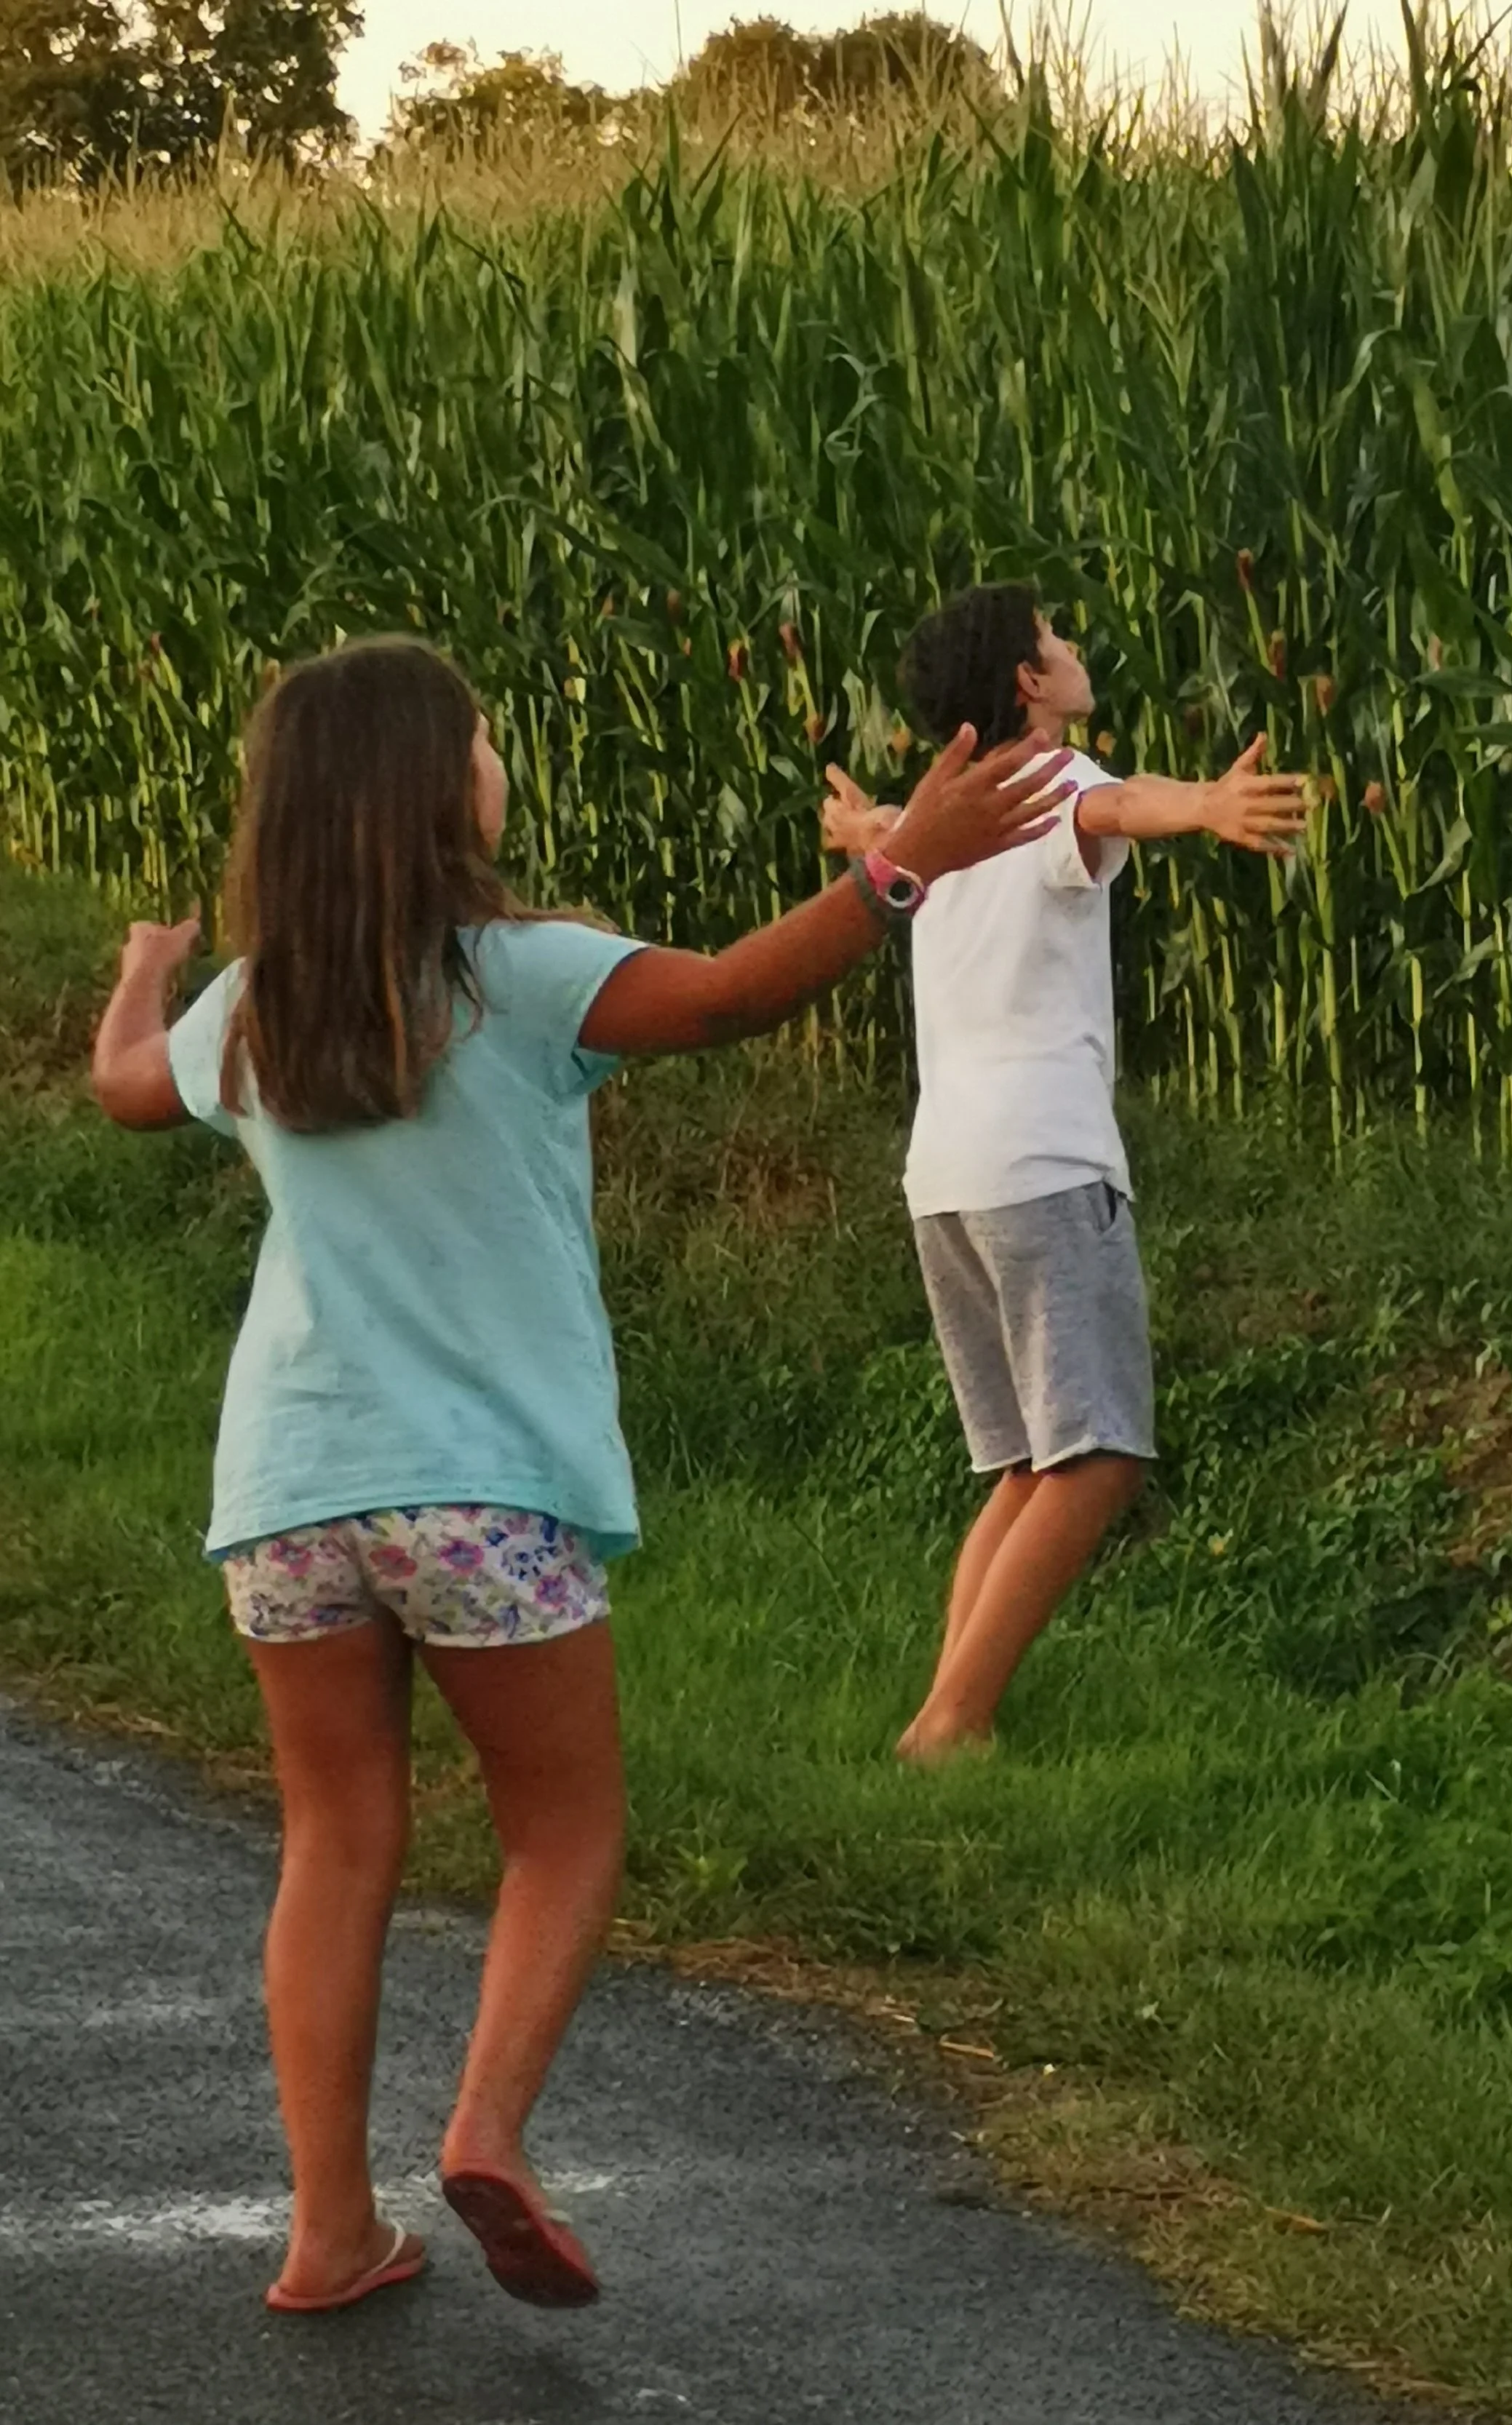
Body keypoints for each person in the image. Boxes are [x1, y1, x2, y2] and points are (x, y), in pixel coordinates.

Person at [89, 635, 1070, 2317]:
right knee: (561, 1829)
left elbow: (123, 1086)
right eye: (478, 737)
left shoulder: (254, 1006)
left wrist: (142, 968)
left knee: (334, 1841)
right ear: (433, 789)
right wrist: (898, 868)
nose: (496, 757)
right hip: (482, 1496)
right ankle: (485, 2127)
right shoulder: (518, 976)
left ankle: (328, 2231)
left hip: (289, 1495)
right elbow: (735, 994)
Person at [821, 582, 1308, 1766]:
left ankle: (946, 1715)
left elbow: (889, 839)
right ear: (1028, 683)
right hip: (1041, 1159)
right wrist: (1210, 805)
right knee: (1097, 1460)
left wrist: (861, 831)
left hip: (944, 1173)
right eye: (1051, 636)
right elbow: (1121, 804)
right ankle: (954, 1720)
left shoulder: (943, 817)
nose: (1072, 643)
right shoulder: (1057, 784)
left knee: (1026, 1469)